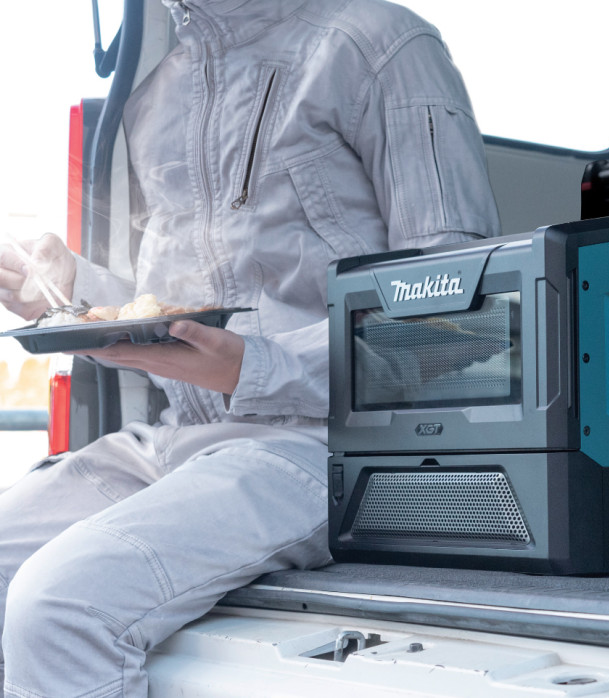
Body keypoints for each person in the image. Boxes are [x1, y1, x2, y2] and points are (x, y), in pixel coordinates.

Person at [0, 0, 500, 694]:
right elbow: (178, 310)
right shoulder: (158, 93)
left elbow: (456, 311)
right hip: (175, 443)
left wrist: (254, 367)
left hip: (326, 445)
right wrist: (67, 291)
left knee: (60, 606)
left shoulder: (379, 44)